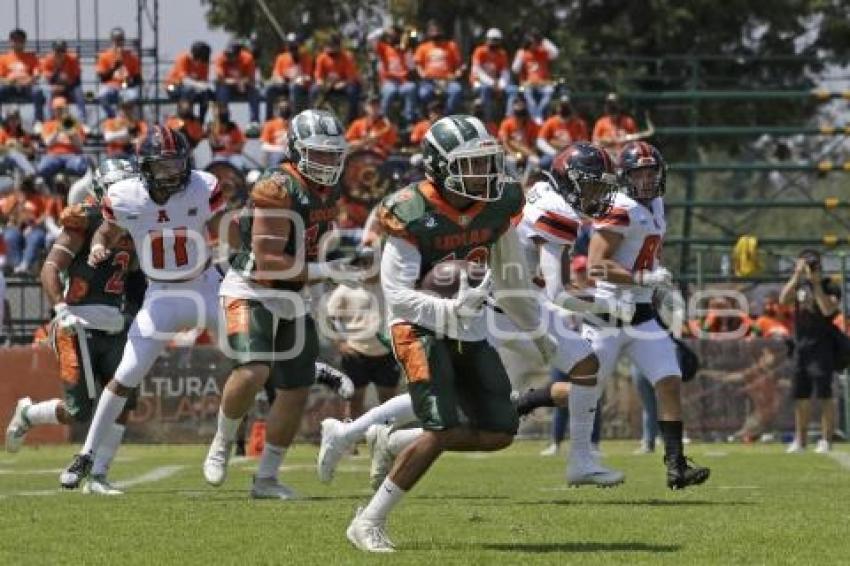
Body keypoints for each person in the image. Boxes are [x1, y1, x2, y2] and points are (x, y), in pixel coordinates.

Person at [202, 109, 368, 499]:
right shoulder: (277, 187)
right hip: (253, 288)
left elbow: (312, 240)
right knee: (254, 371)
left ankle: (266, 479)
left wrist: (336, 258)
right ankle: (223, 441)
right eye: (318, 154)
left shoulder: (329, 188)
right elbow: (268, 260)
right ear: (296, 151)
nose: (327, 162)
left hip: (292, 293)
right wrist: (327, 270)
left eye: (332, 154)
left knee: (296, 387)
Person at [58, 125, 228, 489]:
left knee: (253, 352)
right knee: (125, 377)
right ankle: (86, 455)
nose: (172, 174)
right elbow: (106, 230)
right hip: (161, 294)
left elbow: (225, 226)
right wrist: (97, 247)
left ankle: (222, 442)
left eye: (177, 164)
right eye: (162, 166)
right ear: (144, 167)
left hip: (205, 285)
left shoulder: (203, 185)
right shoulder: (125, 197)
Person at [4, 159, 143, 495]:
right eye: (118, 187)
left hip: (114, 320)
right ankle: (29, 414)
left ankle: (98, 475)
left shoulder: (137, 224)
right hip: (75, 322)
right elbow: (49, 269)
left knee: (124, 398)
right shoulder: (84, 220)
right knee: (78, 410)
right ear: (103, 190)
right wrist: (61, 308)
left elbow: (136, 273)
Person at [585, 140, 709, 489]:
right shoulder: (619, 208)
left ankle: (676, 466)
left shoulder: (656, 204)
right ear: (625, 177)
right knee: (583, 391)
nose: (648, 179)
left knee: (669, 380)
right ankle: (528, 401)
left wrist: (660, 286)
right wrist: (643, 278)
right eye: (639, 173)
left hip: (641, 314)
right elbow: (596, 266)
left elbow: (647, 253)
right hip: (607, 314)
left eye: (652, 171)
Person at [779, 249, 840, 453]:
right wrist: (797, 276)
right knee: (800, 395)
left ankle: (826, 439)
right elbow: (783, 300)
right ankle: (800, 440)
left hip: (822, 346)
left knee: (824, 394)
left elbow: (827, 309)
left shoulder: (829, 285)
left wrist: (815, 284)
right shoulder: (799, 285)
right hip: (801, 346)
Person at [0, 176, 49, 275]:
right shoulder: (13, 199)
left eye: (27, 187)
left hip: (34, 229)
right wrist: (18, 206)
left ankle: (25, 265)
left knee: (35, 238)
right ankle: (16, 265)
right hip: (15, 228)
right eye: (22, 188)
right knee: (10, 236)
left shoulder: (39, 199)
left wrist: (34, 225)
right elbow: (5, 215)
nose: (25, 190)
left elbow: (46, 215)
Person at [36, 97, 89, 186]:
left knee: (82, 167)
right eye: (58, 109)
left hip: (72, 155)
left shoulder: (75, 124)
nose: (61, 111)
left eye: (63, 109)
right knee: (41, 169)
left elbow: (79, 145)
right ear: (54, 110)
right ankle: (51, 191)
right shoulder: (48, 124)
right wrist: (58, 129)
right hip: (53, 155)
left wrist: (72, 131)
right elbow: (48, 143)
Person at [413, 21, 464, 115]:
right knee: (423, 94)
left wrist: (458, 72)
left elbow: (459, 65)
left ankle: (447, 115)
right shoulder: (423, 47)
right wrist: (422, 73)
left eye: (437, 31)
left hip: (447, 80)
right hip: (430, 81)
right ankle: (430, 115)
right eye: (433, 32)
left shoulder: (451, 46)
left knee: (457, 90)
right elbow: (418, 64)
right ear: (429, 33)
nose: (435, 34)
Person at [310, 34, 362, 125]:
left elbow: (351, 77)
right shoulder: (321, 57)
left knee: (352, 91)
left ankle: (352, 119)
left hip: (344, 84)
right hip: (328, 85)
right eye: (329, 46)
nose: (330, 49)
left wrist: (343, 83)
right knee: (313, 90)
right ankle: (313, 116)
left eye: (333, 46)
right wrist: (322, 83)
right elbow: (318, 77)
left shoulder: (346, 57)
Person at [510, 30, 558, 124]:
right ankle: (536, 116)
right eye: (532, 42)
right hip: (528, 84)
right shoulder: (523, 53)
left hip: (543, 83)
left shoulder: (543, 52)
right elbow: (515, 69)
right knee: (528, 94)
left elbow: (555, 53)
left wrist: (543, 40)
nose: (534, 45)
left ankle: (537, 114)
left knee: (549, 91)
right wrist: (521, 53)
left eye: (536, 42)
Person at [372, 26, 417, 124]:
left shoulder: (405, 50)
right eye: (390, 35)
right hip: (389, 81)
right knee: (390, 91)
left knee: (411, 87)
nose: (391, 37)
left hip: (403, 82)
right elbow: (372, 39)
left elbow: (412, 68)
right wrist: (383, 31)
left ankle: (408, 119)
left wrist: (405, 53)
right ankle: (382, 118)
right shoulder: (384, 48)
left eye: (394, 35)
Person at [214, 41, 261, 133]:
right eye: (228, 54)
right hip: (228, 86)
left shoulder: (248, 58)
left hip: (244, 86)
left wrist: (242, 82)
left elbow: (251, 79)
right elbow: (220, 78)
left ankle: (254, 122)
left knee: (254, 91)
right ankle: (224, 119)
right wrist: (237, 82)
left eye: (231, 55)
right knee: (222, 90)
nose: (229, 57)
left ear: (238, 54)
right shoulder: (221, 58)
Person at [0, 29, 45, 124]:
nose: (17, 43)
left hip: (26, 87)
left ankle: (38, 122)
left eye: (20, 41)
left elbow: (37, 75)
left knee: (38, 91)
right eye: (15, 40)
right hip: (10, 87)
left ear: (24, 42)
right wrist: (9, 82)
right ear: (10, 42)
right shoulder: (3, 58)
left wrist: (28, 81)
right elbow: (1, 78)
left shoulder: (32, 57)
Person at [95, 27, 141, 119]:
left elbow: (138, 78)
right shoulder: (104, 56)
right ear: (112, 41)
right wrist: (114, 67)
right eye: (116, 40)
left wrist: (130, 82)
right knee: (101, 95)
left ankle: (126, 120)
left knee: (132, 96)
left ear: (123, 41)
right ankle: (113, 117)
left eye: (120, 40)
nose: (119, 43)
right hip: (110, 85)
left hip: (126, 87)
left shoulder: (131, 57)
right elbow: (102, 78)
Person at [265, 33, 313, 118]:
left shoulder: (306, 58)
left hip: (299, 87)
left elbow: (308, 77)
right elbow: (275, 75)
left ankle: (293, 117)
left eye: (295, 46)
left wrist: (299, 79)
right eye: (291, 46)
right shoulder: (281, 57)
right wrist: (280, 80)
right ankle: (269, 118)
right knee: (269, 89)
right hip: (284, 85)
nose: (293, 49)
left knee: (293, 87)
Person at [537, 94, 590, 169]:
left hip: (574, 154)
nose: (564, 109)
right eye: (562, 106)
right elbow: (540, 141)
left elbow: (584, 143)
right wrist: (554, 152)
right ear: (558, 107)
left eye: (567, 106)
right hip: (554, 152)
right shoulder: (551, 122)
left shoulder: (579, 124)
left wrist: (570, 148)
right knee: (544, 163)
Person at [165, 41, 214, 122]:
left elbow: (203, 82)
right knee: (188, 90)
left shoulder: (204, 64)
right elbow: (184, 80)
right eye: (199, 59)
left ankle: (201, 120)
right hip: (172, 86)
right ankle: (183, 114)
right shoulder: (183, 58)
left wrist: (202, 88)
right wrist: (198, 85)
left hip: (193, 88)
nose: (200, 62)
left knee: (206, 94)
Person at [470, 28, 511, 123]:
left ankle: (509, 119)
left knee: (512, 90)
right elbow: (477, 71)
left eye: (496, 40)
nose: (494, 43)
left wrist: (501, 85)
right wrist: (493, 84)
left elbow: (505, 72)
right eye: (492, 40)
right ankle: (486, 120)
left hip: (497, 85)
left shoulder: (502, 54)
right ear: (487, 39)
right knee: (486, 89)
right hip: (478, 83)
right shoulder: (479, 51)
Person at [40, 41, 86, 121]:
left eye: (62, 51)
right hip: (54, 86)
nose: (60, 53)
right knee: (48, 92)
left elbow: (77, 79)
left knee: (79, 92)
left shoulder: (72, 58)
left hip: (70, 86)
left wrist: (66, 85)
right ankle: (49, 120)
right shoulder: (48, 59)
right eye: (57, 51)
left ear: (65, 51)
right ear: (53, 51)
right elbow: (48, 79)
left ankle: (83, 121)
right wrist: (57, 69)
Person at [498, 97, 540, 180]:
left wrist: (529, 152)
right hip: (512, 153)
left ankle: (525, 181)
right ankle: (517, 181)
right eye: (518, 113)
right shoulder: (507, 123)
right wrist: (514, 154)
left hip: (527, 152)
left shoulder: (531, 123)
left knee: (535, 160)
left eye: (522, 114)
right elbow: (504, 143)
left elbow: (535, 142)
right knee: (510, 161)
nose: (520, 117)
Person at [206, 104, 247, 171]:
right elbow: (214, 145)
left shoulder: (233, 126)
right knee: (218, 164)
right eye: (220, 110)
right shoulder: (211, 126)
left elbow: (241, 144)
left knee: (237, 163)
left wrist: (232, 147)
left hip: (233, 155)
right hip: (219, 155)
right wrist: (224, 146)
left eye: (224, 110)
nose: (222, 113)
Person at [0, 110, 36, 176]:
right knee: (13, 153)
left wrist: (20, 148)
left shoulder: (22, 133)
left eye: (15, 119)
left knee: (17, 157)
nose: (13, 121)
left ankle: (27, 176)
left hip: (19, 160)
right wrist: (8, 146)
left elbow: (32, 151)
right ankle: (32, 173)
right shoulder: (3, 131)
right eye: (10, 119)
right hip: (4, 160)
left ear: (18, 120)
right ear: (7, 121)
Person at [259, 98, 291, 167]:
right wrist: (280, 149)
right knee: (277, 156)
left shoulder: (293, 125)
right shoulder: (270, 124)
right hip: (276, 155)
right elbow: (264, 146)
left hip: (290, 156)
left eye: (286, 107)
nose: (284, 110)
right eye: (282, 108)